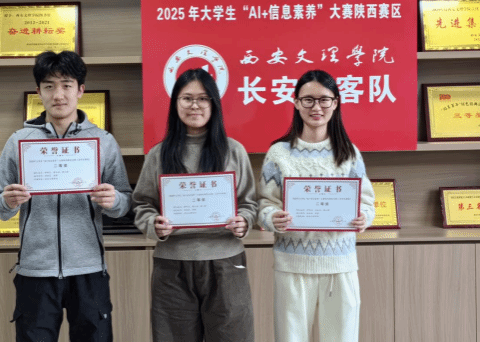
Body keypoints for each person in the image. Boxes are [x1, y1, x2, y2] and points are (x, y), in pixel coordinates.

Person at [0, 50, 132, 342]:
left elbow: (124, 202)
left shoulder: (103, 141)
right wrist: (7, 201)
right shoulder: (19, 141)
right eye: (49, 86)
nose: (58, 95)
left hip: (89, 268)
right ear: (38, 92)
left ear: (80, 90)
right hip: (35, 270)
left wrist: (114, 201)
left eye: (67, 85)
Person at [132, 68, 257, 342]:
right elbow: (142, 204)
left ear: (214, 104)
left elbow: (249, 203)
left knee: (232, 337)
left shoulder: (233, 150)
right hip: (172, 264)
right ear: (175, 103)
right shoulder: (159, 154)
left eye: (203, 98)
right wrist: (154, 224)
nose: (195, 105)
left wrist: (244, 221)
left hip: (226, 262)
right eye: (187, 98)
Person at [258, 69, 375, 342]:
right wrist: (273, 218)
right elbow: (264, 204)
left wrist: (363, 217)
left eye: (324, 99)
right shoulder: (278, 153)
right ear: (296, 103)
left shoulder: (349, 152)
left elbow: (366, 201)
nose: (316, 107)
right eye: (308, 100)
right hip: (292, 265)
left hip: (340, 264)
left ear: (335, 103)